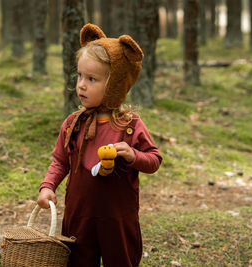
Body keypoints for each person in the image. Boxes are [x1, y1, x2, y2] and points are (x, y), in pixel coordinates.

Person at [37, 24, 162, 267]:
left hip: (118, 218)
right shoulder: (73, 124)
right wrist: (47, 186)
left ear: (114, 85)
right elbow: (60, 161)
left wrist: (132, 155)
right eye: (80, 76)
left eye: (92, 79)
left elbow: (154, 160)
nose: (81, 85)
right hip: (78, 215)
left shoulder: (130, 125)